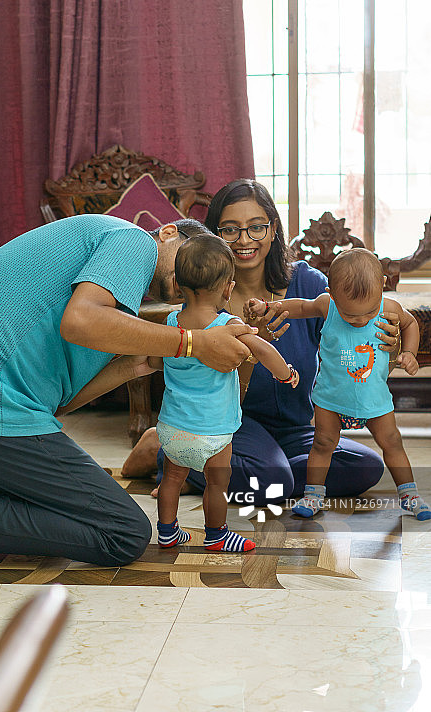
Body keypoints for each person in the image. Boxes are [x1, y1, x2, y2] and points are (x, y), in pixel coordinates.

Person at [0, 214, 257, 573]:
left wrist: (146, 361)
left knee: (68, 503)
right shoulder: (133, 242)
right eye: (191, 258)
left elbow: (63, 403)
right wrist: (192, 343)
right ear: (166, 233)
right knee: (123, 532)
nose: (193, 275)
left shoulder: (112, 288)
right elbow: (80, 320)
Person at [122, 179, 401, 506]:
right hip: (229, 426)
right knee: (273, 478)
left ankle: (208, 468)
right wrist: (253, 350)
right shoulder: (203, 298)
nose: (244, 240)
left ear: (272, 230)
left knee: (365, 466)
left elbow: (354, 348)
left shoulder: (308, 283)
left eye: (256, 227)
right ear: (213, 236)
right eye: (230, 229)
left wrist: (389, 345)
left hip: (295, 428)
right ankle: (169, 456)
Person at [247, 247, 431, 520]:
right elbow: (299, 306)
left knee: (392, 441)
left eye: (368, 314)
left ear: (382, 286)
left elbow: (411, 323)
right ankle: (313, 495)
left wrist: (409, 353)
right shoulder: (326, 304)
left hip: (374, 398)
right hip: (330, 398)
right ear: (332, 293)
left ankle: (409, 494)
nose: (360, 321)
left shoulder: (388, 307)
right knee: (322, 444)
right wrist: (270, 307)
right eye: (350, 316)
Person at [151, 234, 298, 552]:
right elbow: (266, 352)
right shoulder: (229, 324)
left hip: (173, 427)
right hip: (214, 431)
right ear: (229, 288)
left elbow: (152, 358)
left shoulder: (170, 321)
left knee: (172, 480)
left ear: (178, 285)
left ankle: (166, 531)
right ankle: (217, 535)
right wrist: (286, 374)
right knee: (217, 484)